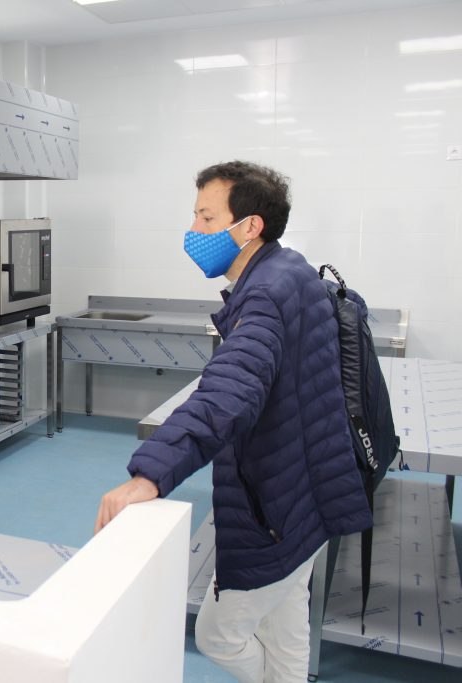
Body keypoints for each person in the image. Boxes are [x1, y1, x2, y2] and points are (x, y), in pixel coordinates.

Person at [94, 161, 373, 682]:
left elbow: (229, 391)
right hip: (313, 487)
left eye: (206, 218)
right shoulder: (291, 270)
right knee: (286, 624)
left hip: (280, 502)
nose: (193, 231)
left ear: (250, 227)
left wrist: (150, 474)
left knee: (218, 636)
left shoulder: (265, 295)